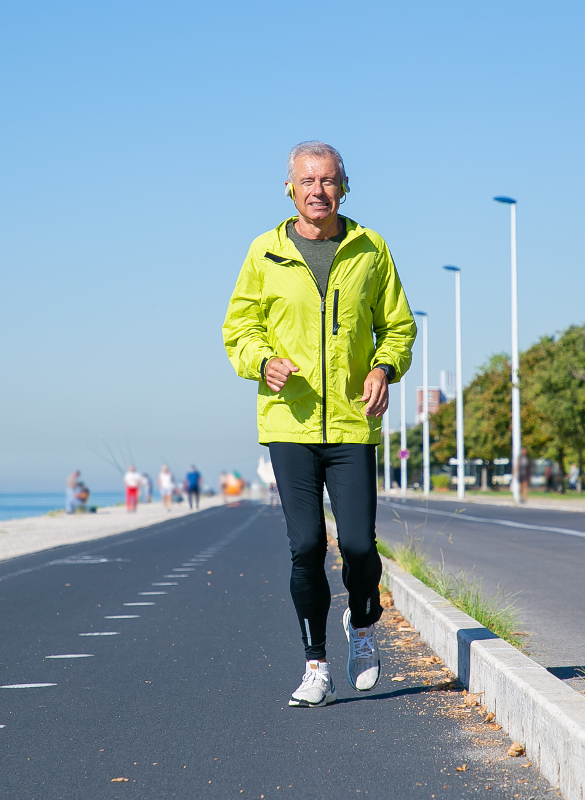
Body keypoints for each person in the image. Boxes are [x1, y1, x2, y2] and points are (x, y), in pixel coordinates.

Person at [222, 141, 415, 708]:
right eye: (307, 181)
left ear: (345, 186)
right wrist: (262, 361)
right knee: (306, 545)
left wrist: (384, 367)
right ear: (289, 187)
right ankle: (315, 665)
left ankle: (362, 630)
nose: (317, 191)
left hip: (353, 426)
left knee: (357, 546)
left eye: (328, 181)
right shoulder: (264, 252)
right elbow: (239, 328)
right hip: (290, 424)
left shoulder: (370, 249)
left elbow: (399, 327)